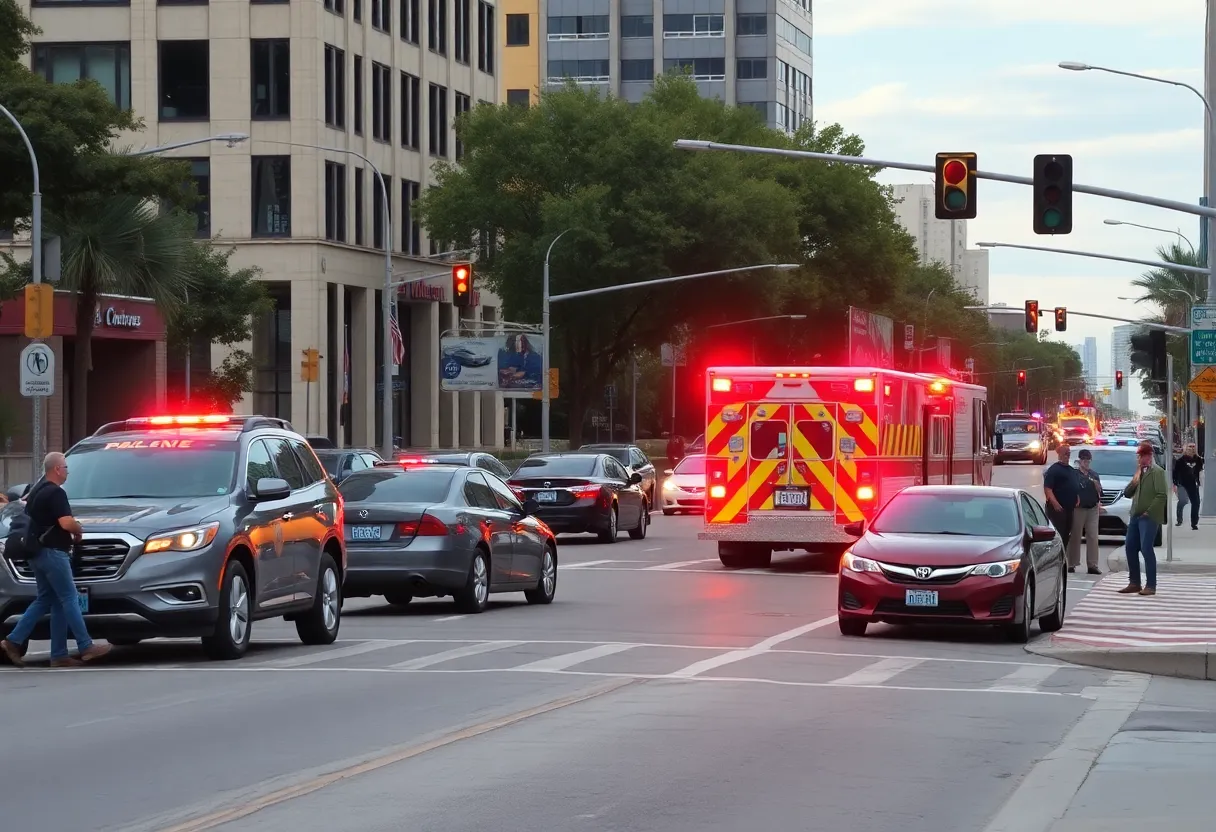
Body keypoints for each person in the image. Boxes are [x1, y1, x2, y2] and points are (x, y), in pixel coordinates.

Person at [0, 453, 110, 668]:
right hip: (53, 553)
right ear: (58, 469)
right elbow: (66, 522)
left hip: (35, 553)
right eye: (66, 467)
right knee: (69, 597)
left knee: (48, 599)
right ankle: (86, 645)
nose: (68, 471)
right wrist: (79, 530)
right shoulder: (56, 492)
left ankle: (44, 650)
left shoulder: (36, 492)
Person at [1118, 442, 1169, 597]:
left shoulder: (1157, 472)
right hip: (1135, 516)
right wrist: (1135, 478)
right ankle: (1134, 582)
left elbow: (1162, 494)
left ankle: (1151, 585)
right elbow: (1127, 493)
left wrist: (1149, 511)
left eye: (1142, 456)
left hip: (1148, 517)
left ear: (1149, 456)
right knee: (1130, 547)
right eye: (1138, 456)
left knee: (1146, 549)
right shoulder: (1140, 472)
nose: (1139, 459)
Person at [1069, 449, 1102, 575]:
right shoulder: (1075, 474)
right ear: (1079, 461)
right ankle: (1072, 563)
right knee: (1076, 536)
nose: (1086, 462)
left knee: (1093, 536)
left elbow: (1100, 491)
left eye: (1088, 460)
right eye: (1084, 460)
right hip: (1079, 508)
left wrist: (1097, 486)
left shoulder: (1094, 474)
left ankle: (1093, 564)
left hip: (1092, 508)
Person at [1043, 444, 1079, 552]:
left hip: (1070, 508)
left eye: (1068, 453)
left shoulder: (1071, 470)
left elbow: (1074, 485)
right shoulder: (1054, 470)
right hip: (1057, 509)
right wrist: (1055, 503)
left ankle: (1063, 555)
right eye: (1064, 453)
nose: (1066, 455)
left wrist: (1077, 496)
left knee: (1066, 534)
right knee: (1058, 534)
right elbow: (1048, 489)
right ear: (1059, 455)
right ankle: (1056, 556)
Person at [1172, 442, 1204, 531]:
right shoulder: (1180, 461)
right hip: (1182, 484)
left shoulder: (1198, 460)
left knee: (1196, 502)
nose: (1192, 448)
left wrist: (1200, 482)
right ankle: (1179, 519)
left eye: (1193, 447)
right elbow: (1175, 473)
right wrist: (1175, 483)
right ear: (1186, 448)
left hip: (1194, 484)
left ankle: (1194, 523)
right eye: (1190, 446)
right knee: (1183, 501)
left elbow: (1200, 472)